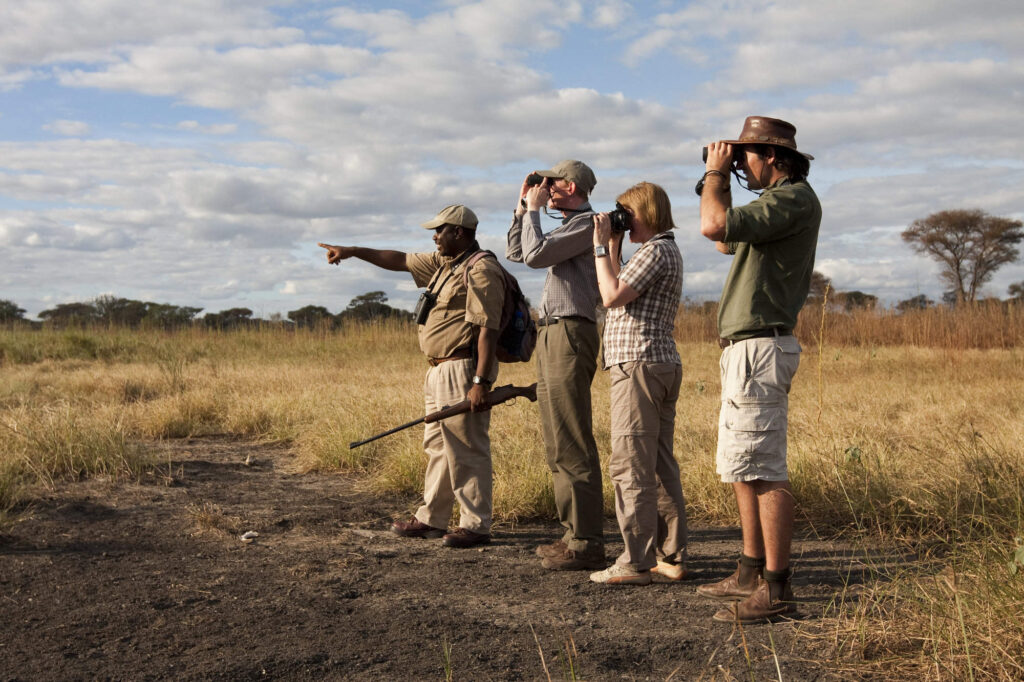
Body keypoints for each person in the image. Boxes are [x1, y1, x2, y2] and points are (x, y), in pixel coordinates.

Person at [318, 205, 504, 549]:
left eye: (440, 231)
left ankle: (476, 524)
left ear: (459, 232)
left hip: (462, 368)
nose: (434, 236)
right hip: (436, 369)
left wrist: (480, 382)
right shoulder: (444, 265)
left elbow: (487, 328)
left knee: (466, 448)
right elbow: (400, 260)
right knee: (437, 447)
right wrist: (353, 251)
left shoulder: (481, 269)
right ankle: (432, 518)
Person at [697, 116, 821, 622]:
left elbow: (712, 224)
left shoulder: (792, 199)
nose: (739, 164)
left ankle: (777, 588)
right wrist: (717, 180)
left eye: (745, 156)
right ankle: (750, 569)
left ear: (772, 156)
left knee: (764, 467)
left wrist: (715, 175)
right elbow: (725, 240)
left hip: (761, 349)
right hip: (746, 350)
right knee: (741, 464)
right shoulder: (773, 207)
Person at [506, 160, 605, 571]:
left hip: (571, 332)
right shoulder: (566, 226)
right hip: (550, 332)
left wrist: (533, 211)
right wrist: (520, 211)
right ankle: (573, 535)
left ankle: (587, 542)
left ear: (571, 186)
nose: (544, 188)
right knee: (555, 438)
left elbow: (534, 256)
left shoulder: (587, 224)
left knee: (571, 436)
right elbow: (517, 251)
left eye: (551, 182)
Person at [589, 182, 689, 586]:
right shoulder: (661, 250)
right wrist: (612, 246)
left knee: (630, 464)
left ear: (643, 212)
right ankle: (670, 556)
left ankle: (634, 561)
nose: (620, 220)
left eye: (624, 213)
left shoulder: (656, 250)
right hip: (658, 363)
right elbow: (615, 288)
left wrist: (598, 246)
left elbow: (610, 296)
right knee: (660, 464)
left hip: (639, 367)